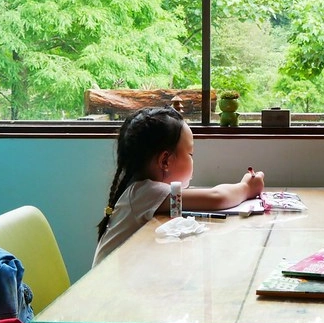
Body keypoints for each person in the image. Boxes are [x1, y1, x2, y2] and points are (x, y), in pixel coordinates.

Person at [94, 106, 264, 267]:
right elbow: (217, 197)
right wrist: (246, 187)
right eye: (190, 154)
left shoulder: (142, 192)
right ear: (165, 161)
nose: (193, 158)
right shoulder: (145, 192)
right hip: (107, 286)